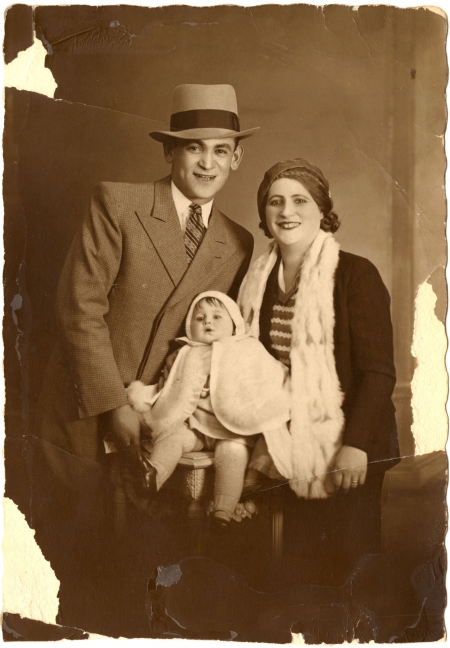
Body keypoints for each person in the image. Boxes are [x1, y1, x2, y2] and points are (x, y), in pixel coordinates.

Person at [33, 85, 256, 561]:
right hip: (86, 403)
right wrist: (114, 403)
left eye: (221, 150)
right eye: (194, 147)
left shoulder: (237, 242)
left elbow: (214, 342)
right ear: (169, 149)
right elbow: (79, 308)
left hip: (161, 420)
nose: (207, 163)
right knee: (72, 555)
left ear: (237, 159)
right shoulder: (118, 203)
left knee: (144, 566)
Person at [237, 158, 400, 584]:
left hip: (349, 445)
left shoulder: (354, 274)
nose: (286, 212)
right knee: (295, 570)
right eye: (275, 202)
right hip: (285, 441)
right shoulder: (258, 278)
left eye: (299, 201)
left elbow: (378, 372)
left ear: (322, 210)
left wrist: (357, 444)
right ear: (264, 213)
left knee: (348, 573)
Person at [123, 291, 290, 526]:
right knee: (172, 438)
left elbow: (269, 376)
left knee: (233, 455)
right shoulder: (184, 353)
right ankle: (152, 476)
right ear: (190, 326)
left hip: (231, 430)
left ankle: (223, 508)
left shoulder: (247, 348)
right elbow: (168, 388)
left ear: (234, 325)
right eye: (199, 318)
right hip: (194, 426)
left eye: (216, 316)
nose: (207, 321)